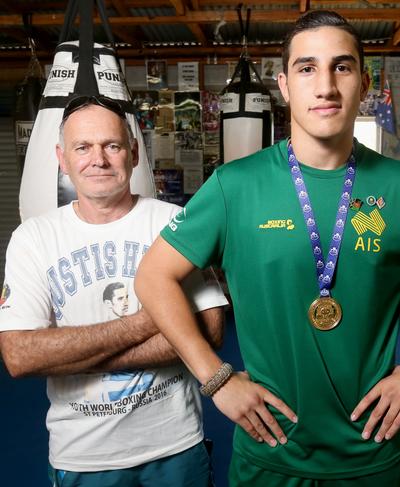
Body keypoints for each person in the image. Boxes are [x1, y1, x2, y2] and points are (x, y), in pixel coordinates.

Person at [134, 10, 400, 487]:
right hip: (269, 454)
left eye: (341, 67)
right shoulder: (234, 187)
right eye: (307, 68)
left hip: (370, 455)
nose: (325, 86)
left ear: (363, 82)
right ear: (284, 85)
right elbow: (152, 276)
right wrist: (215, 377)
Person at [0, 95, 229, 486]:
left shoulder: (173, 222)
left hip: (175, 445)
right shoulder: (33, 238)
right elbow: (20, 356)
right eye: (82, 147)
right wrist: (152, 320)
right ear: (61, 158)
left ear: (134, 153)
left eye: (112, 145)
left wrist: (74, 355)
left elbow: (210, 331)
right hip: (83, 455)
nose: (99, 159)